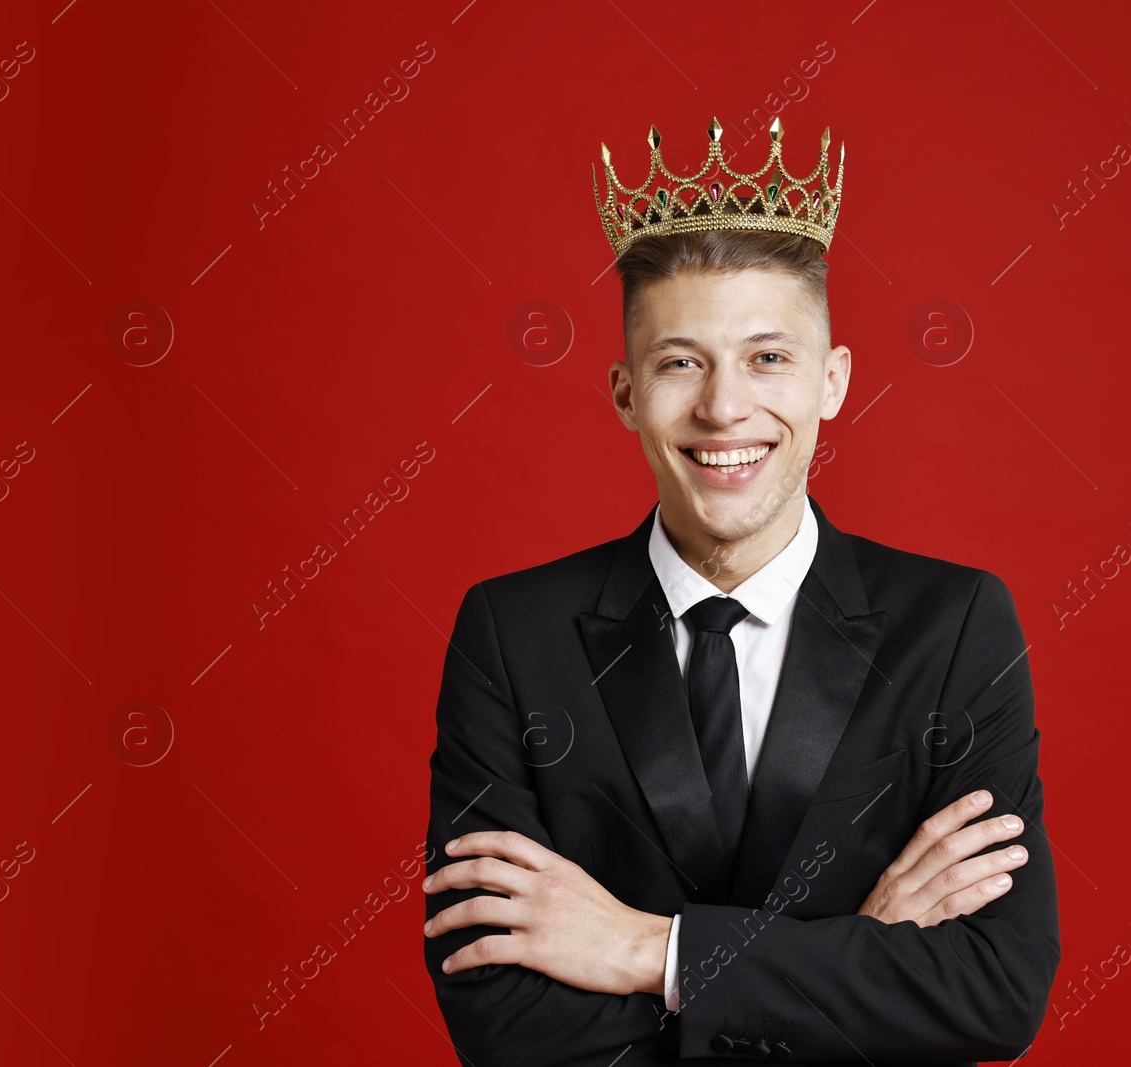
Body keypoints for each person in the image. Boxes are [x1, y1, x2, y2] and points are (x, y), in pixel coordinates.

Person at [421, 117, 1059, 1065]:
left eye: (769, 357)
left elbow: (994, 993)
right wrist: (857, 951)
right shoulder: (513, 635)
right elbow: (503, 1021)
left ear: (831, 381)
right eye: (681, 362)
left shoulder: (957, 625)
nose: (724, 407)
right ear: (625, 391)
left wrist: (653, 952)